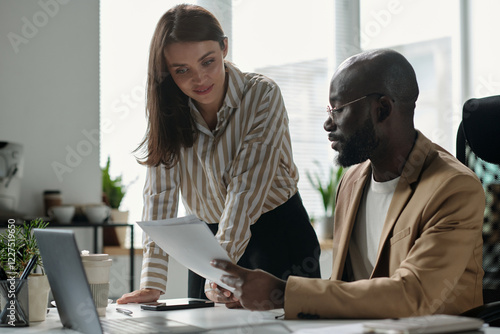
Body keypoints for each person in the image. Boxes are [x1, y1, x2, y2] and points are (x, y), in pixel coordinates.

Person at [211, 49, 485, 319]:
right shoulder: (352, 181)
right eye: (329, 110)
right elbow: (348, 286)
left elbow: (412, 295)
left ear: (382, 109)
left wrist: (282, 293)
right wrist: (262, 297)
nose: (328, 123)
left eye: (339, 109)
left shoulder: (453, 188)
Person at [117, 4, 321, 305]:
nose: (199, 79)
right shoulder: (169, 112)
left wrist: (219, 268)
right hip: (207, 246)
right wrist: (153, 284)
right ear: (167, 71)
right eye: (181, 70)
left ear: (224, 47)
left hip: (277, 234)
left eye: (208, 62)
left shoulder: (262, 95)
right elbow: (160, 196)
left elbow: (246, 190)